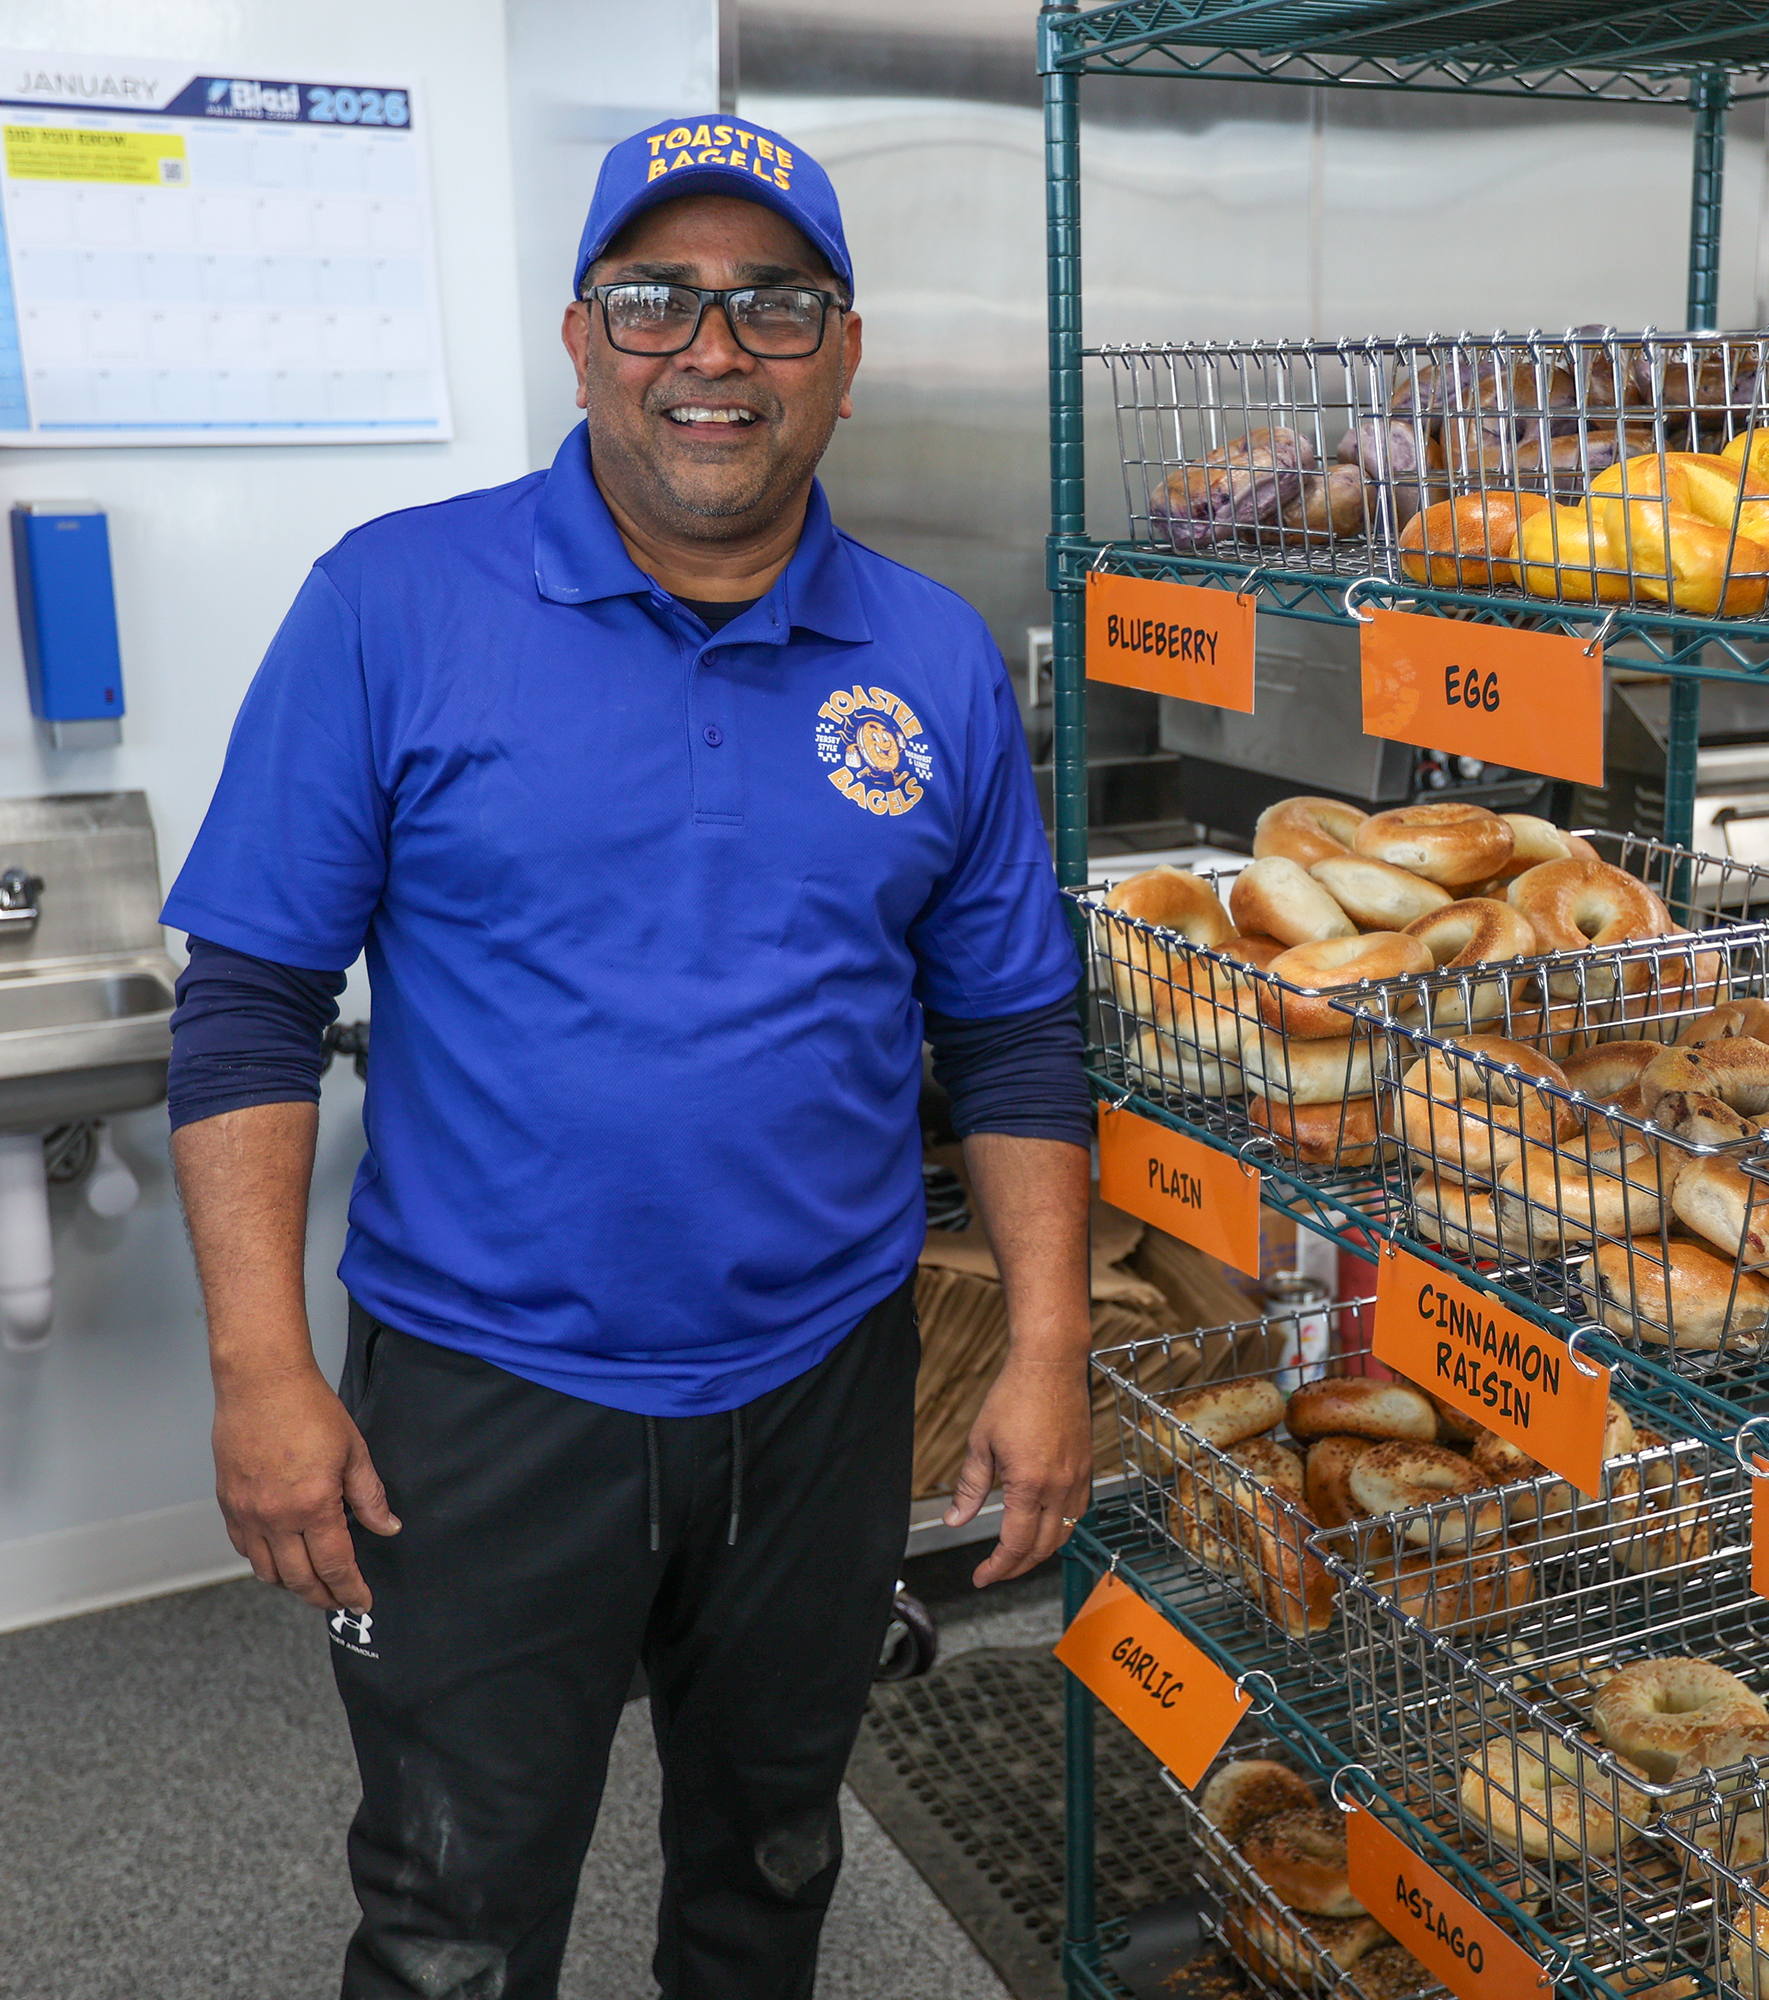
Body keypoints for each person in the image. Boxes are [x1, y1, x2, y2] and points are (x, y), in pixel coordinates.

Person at [159, 115, 1098, 2000]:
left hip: (825, 1384)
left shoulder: (926, 659)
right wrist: (262, 1368)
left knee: (772, 1861)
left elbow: (1009, 1031)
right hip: (486, 1397)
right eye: (658, 298)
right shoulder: (394, 606)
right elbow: (248, 1001)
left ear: (843, 354)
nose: (713, 351)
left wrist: (1055, 1349)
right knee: (452, 1907)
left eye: (773, 305)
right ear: (580, 340)